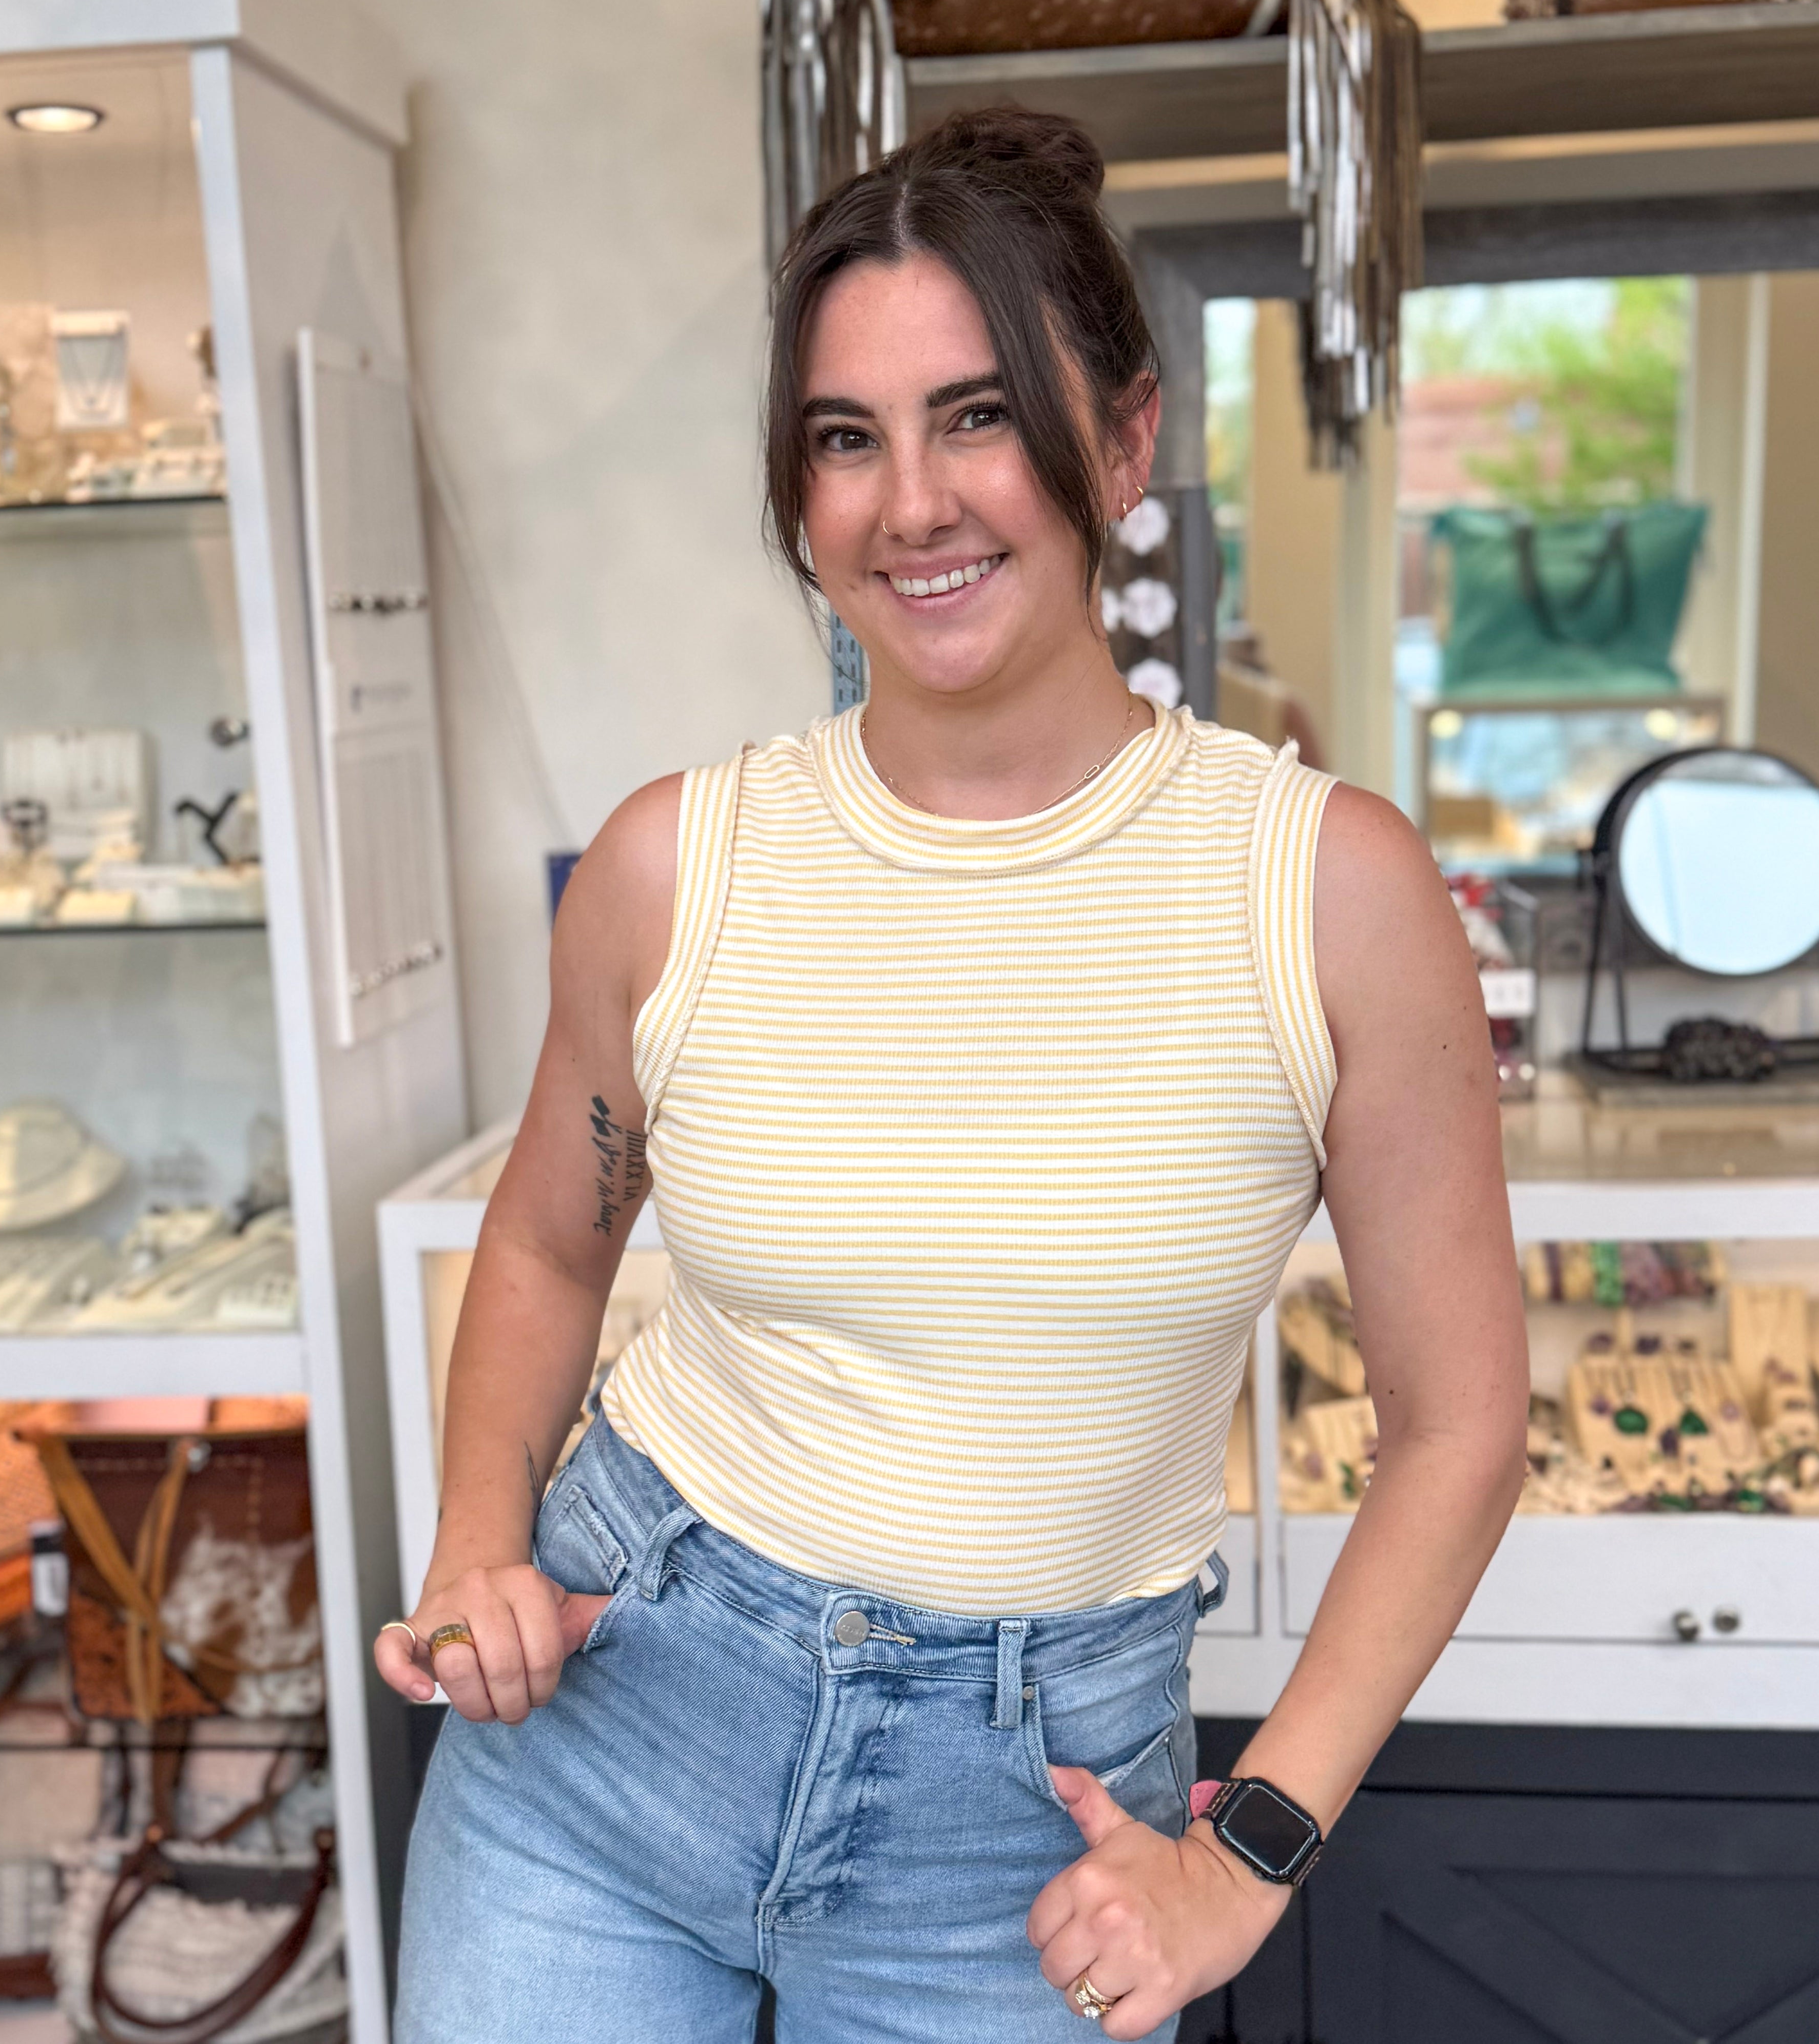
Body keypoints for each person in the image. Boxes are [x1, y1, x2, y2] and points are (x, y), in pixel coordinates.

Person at [383, 108, 1527, 2041]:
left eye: (977, 416)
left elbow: (1459, 1424)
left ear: (1127, 442)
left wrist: (1247, 1852)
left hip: (1028, 1825)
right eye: (845, 437)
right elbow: (549, 1248)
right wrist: (477, 1543)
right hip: (609, 1716)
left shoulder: (1327, 889)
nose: (910, 502)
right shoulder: (673, 863)